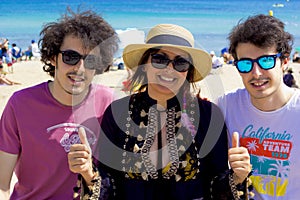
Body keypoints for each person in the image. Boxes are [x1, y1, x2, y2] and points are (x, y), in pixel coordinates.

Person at [68, 24, 252, 200]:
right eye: (160, 59)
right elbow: (111, 185)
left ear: (188, 72)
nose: (169, 69)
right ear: (144, 63)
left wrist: (237, 177)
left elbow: (215, 187)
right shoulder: (118, 113)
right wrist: (88, 173)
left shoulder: (209, 115)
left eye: (181, 63)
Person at [0, 8, 119, 199]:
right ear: (52, 57)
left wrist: (88, 172)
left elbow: (114, 183)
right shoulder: (20, 104)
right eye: (71, 57)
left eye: (91, 61)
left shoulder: (110, 104)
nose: (80, 69)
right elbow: (2, 183)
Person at [217, 14, 300, 199]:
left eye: (266, 61)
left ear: (284, 61)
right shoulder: (226, 106)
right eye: (246, 64)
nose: (256, 73)